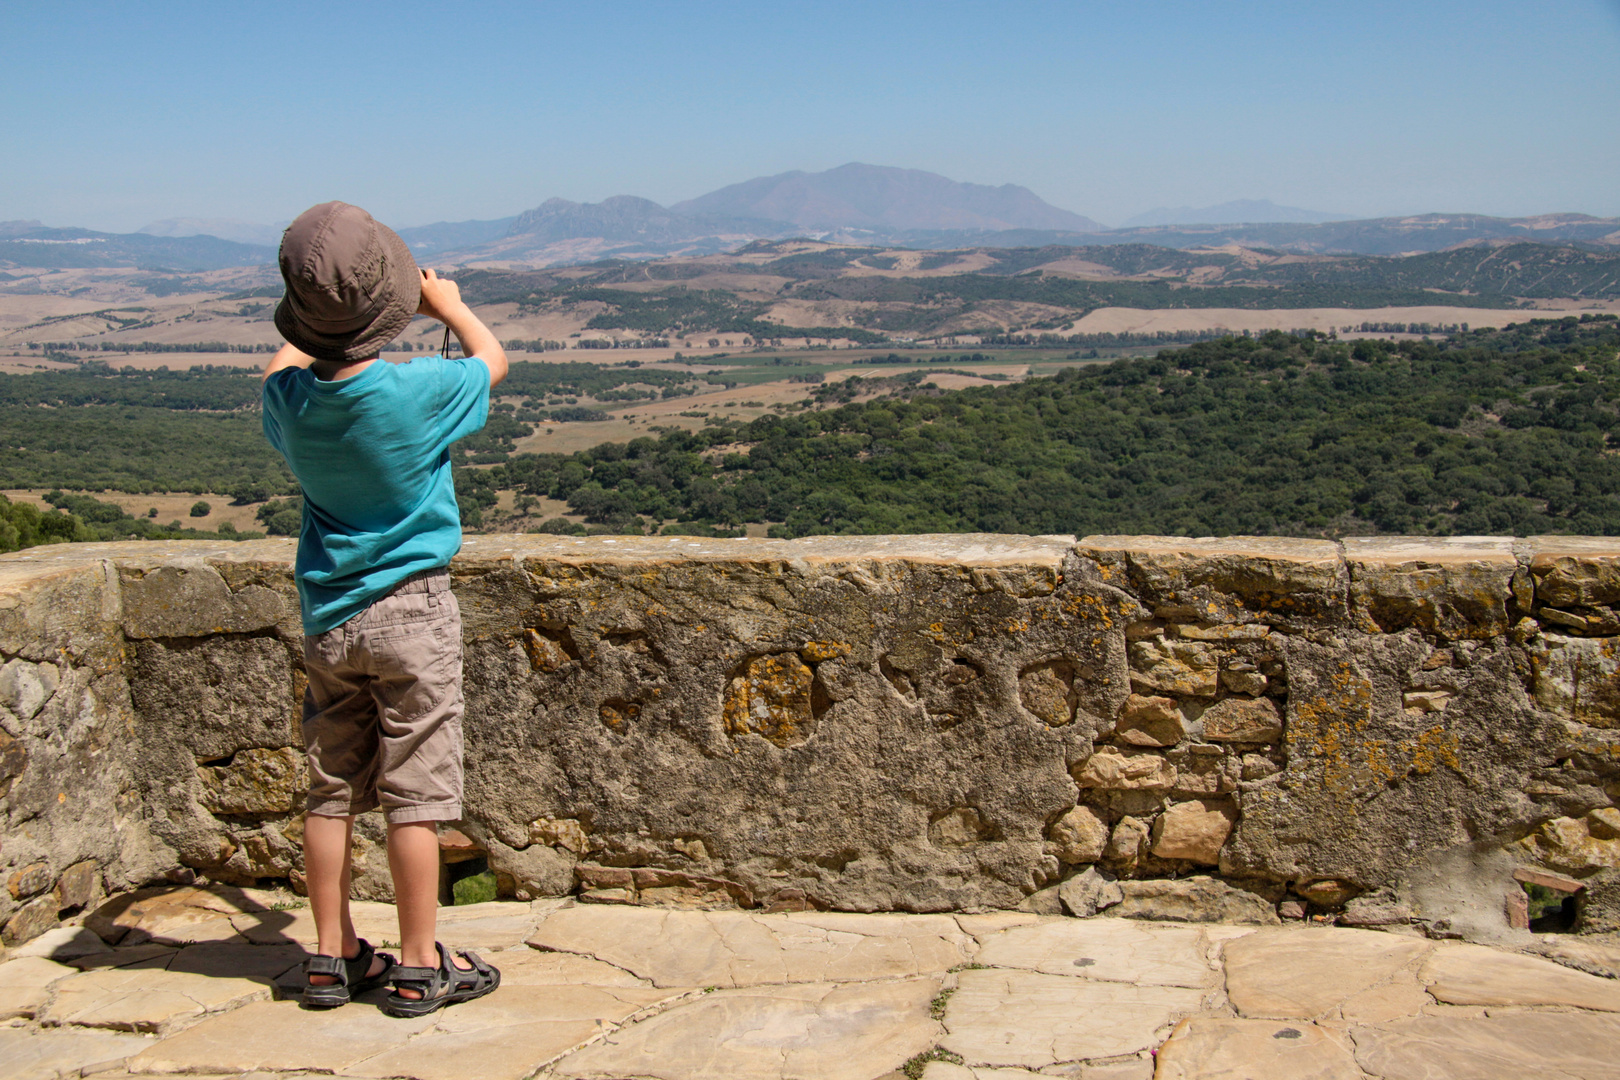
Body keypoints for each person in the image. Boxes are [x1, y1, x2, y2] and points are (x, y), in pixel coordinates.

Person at [260, 201, 506, 1016]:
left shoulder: (290, 403)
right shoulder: (419, 391)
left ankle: (329, 957)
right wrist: (451, 307)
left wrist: (316, 327)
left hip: (329, 615)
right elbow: (492, 362)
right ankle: (417, 961)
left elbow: (279, 367)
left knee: (329, 789)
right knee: (418, 796)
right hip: (414, 613)